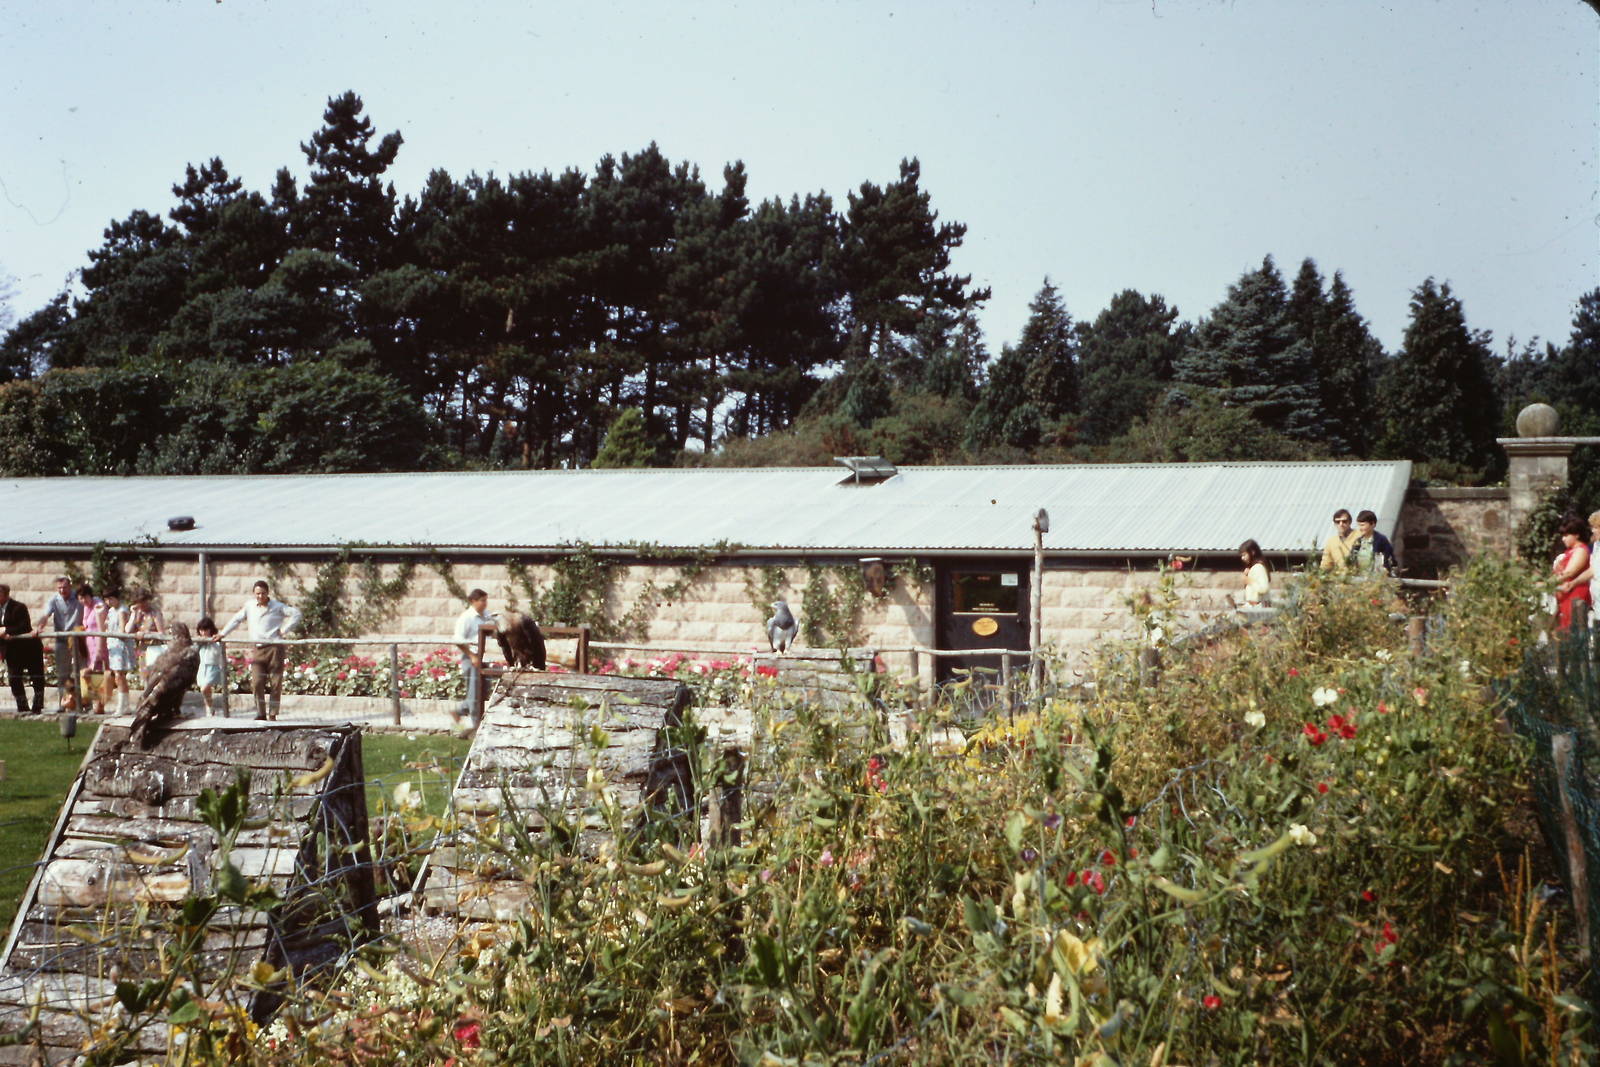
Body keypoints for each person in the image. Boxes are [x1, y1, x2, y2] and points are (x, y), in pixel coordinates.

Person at [218, 580, 303, 720]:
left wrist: (284, 630)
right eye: (257, 593)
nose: (260, 596)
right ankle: (261, 712)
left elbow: (296, 614)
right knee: (257, 682)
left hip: (275, 648)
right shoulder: (249, 606)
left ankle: (273, 714)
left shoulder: (277, 606)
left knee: (276, 682)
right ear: (254, 594)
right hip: (258, 648)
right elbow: (236, 619)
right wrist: (223, 633)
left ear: (267, 593)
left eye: (263, 593)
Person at [36, 576, 82, 713]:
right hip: (62, 639)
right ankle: (64, 703)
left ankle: (84, 703)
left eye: (65, 587)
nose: (62, 590)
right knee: (63, 674)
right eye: (59, 588)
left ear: (70, 586)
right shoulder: (54, 600)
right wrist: (40, 627)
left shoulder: (78, 598)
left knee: (82, 672)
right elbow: (45, 615)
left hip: (79, 639)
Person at [0, 584, 45, 715]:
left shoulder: (19, 607)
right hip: (12, 651)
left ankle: (37, 705)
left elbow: (24, 626)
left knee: (36, 677)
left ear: (6, 594)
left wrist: (6, 630)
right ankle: (22, 706)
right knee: (14, 678)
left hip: (29, 648)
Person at [454, 588, 495, 727]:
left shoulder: (487, 615)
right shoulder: (466, 618)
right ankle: (475, 725)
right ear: (473, 601)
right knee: (475, 692)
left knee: (483, 691)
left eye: (486, 600)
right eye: (482, 601)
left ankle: (459, 712)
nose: (485, 604)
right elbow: (458, 640)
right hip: (471, 657)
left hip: (484, 657)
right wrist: (472, 656)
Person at [1553, 516, 1592, 632]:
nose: (1563, 539)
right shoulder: (1569, 551)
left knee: (1572, 627)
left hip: (1575, 593)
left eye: (1566, 535)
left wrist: (1547, 584)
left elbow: (1570, 572)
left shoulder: (1581, 550)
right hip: (1564, 593)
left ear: (1576, 535)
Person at [102, 589, 136, 716]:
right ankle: (125, 705)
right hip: (112, 645)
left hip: (121, 646)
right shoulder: (110, 611)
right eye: (106, 599)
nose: (108, 602)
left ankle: (122, 706)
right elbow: (105, 626)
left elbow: (122, 630)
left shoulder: (122, 610)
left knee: (119, 676)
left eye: (110, 599)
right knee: (118, 676)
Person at [78, 583, 108, 714]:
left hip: (99, 642)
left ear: (90, 596)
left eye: (85, 597)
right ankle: (94, 702)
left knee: (98, 673)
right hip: (90, 643)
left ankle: (99, 704)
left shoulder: (98, 605)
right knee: (92, 673)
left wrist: (100, 649)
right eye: (80, 598)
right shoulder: (86, 608)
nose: (83, 601)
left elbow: (101, 627)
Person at [1349, 510, 1398, 576]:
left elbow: (1390, 561)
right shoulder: (1358, 541)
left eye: (1362, 525)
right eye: (1359, 525)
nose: (1360, 528)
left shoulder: (1381, 540)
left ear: (1373, 524)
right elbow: (1351, 560)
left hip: (1377, 579)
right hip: (1361, 579)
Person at [127, 590, 167, 672]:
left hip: (154, 648)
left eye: (143, 602)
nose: (141, 605)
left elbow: (161, 633)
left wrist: (146, 634)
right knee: (144, 674)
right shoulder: (137, 613)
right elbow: (127, 630)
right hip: (142, 649)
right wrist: (133, 615)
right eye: (138, 602)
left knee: (154, 673)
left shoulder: (155, 613)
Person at [195, 615, 226, 716]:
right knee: (204, 691)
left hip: (213, 666)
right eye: (201, 630)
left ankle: (210, 708)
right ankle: (209, 708)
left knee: (205, 687)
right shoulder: (199, 642)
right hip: (202, 666)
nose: (203, 633)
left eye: (205, 630)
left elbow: (219, 651)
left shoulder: (215, 640)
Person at [1240, 539, 1271, 607]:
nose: (1242, 558)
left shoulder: (1259, 567)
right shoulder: (1253, 568)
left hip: (1259, 609)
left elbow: (1263, 588)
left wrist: (1249, 580)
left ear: (1252, 552)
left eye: (1244, 555)